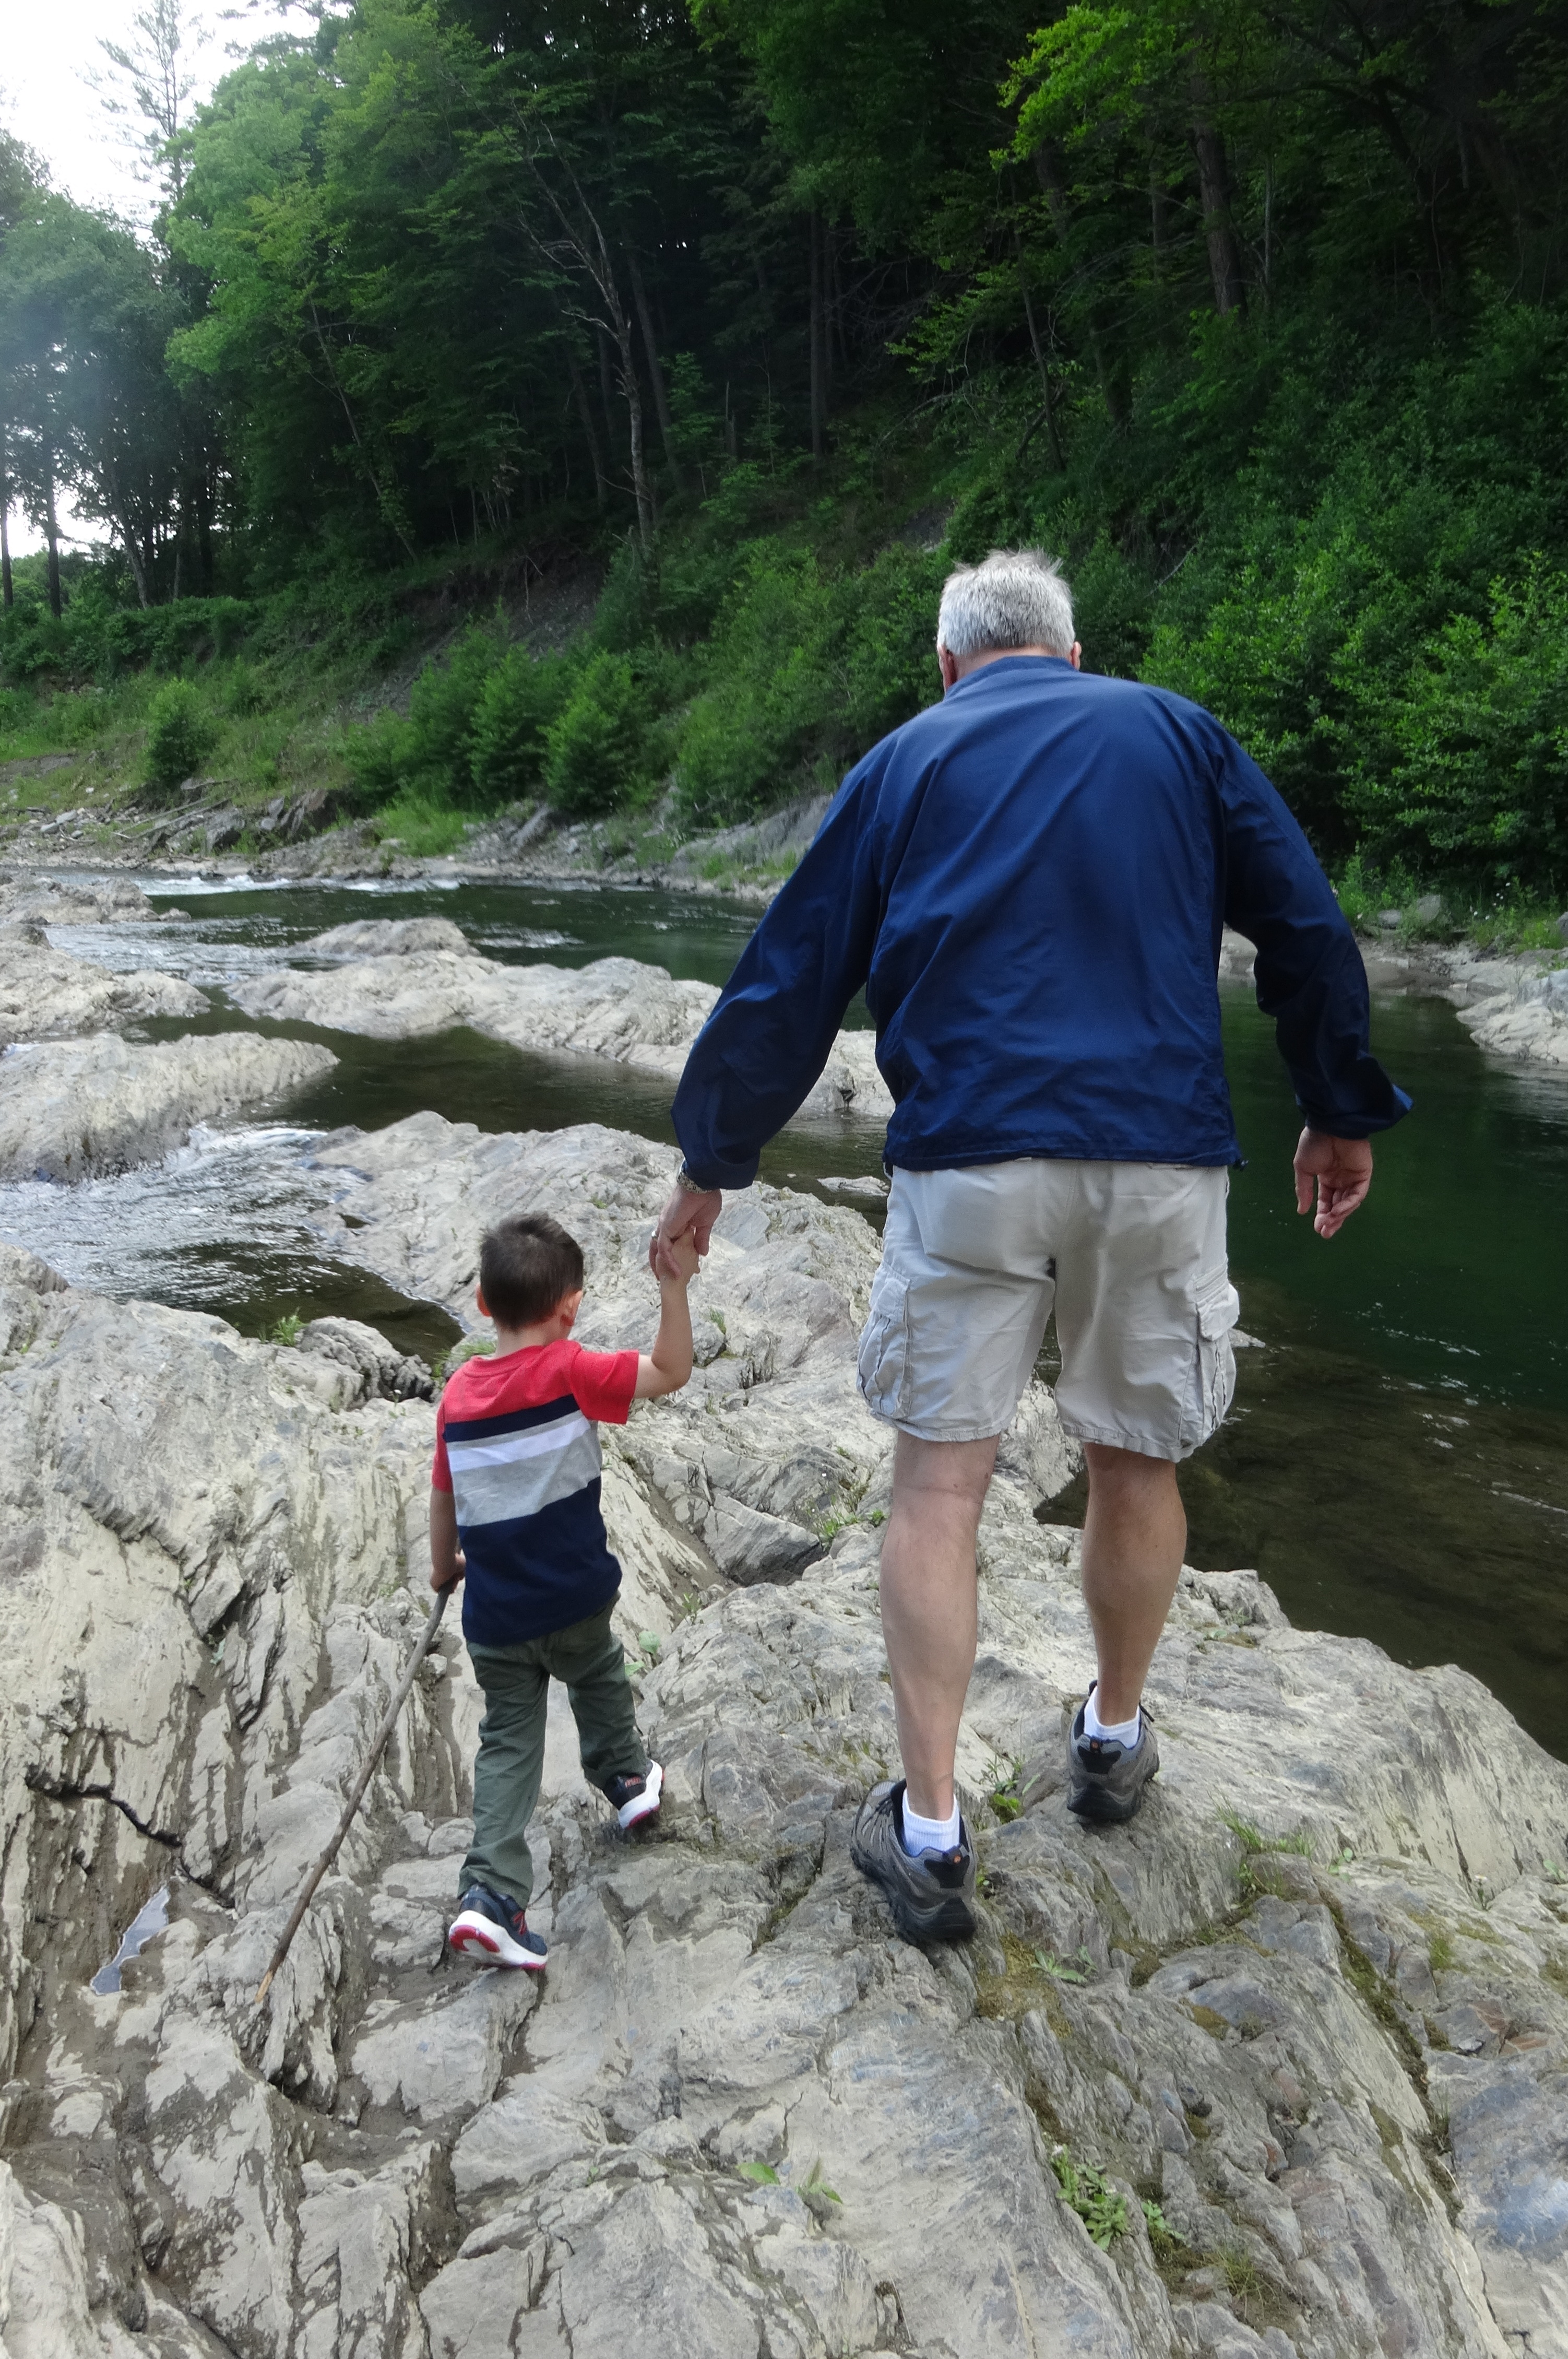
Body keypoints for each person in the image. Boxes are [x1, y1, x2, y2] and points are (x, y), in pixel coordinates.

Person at [651, 546, 1408, 1947]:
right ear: (1071, 654)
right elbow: (1304, 926)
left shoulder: (902, 759)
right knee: (1134, 1457)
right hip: (1158, 1151)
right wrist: (1338, 1104)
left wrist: (711, 1161)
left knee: (938, 1488)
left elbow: (788, 977)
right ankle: (1111, 1738)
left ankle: (930, 1831)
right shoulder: (1177, 734)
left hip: (970, 1159)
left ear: (946, 665)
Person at [432, 1210, 700, 1969]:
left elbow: (444, 1495)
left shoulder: (457, 1397)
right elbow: (671, 1371)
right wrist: (674, 1288)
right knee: (598, 1673)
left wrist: (443, 1567)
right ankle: (625, 1774)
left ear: (482, 1303)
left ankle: (491, 1895)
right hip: (577, 1598)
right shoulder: (574, 1370)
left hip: (496, 1617)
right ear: (571, 1307)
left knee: (508, 1742)